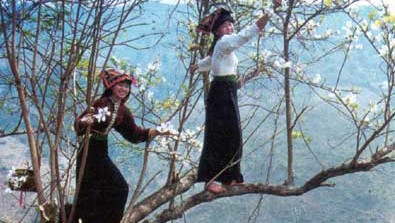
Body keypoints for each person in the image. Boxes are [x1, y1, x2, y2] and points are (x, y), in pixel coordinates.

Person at [193, 8, 271, 194]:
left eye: (230, 24)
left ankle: (231, 177)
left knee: (231, 134)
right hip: (221, 92)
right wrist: (268, 14)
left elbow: (209, 62)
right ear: (218, 31)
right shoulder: (225, 42)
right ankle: (211, 179)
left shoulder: (220, 45)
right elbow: (244, 36)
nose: (229, 27)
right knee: (218, 135)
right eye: (225, 25)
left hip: (225, 91)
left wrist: (196, 66)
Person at [73, 68, 165, 222]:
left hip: (101, 149)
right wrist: (84, 122)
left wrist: (158, 131)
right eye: (120, 85)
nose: (124, 89)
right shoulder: (102, 103)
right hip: (89, 150)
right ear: (112, 86)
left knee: (118, 188)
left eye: (127, 86)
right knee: (90, 192)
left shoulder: (122, 110)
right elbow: (79, 125)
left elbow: (134, 134)